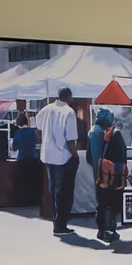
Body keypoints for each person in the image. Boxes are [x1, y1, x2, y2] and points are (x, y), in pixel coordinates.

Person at [35, 87, 81, 235]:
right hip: (63, 156)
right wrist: (75, 155)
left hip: (48, 156)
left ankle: (57, 223)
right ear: (68, 97)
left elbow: (38, 127)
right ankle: (60, 225)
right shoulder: (69, 112)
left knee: (54, 190)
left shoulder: (46, 109)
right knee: (64, 193)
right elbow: (70, 139)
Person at [88, 108, 127, 244]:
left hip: (97, 171)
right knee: (112, 202)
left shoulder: (92, 132)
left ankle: (101, 230)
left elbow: (88, 156)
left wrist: (96, 164)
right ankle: (110, 230)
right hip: (112, 172)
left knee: (101, 201)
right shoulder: (114, 133)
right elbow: (122, 155)